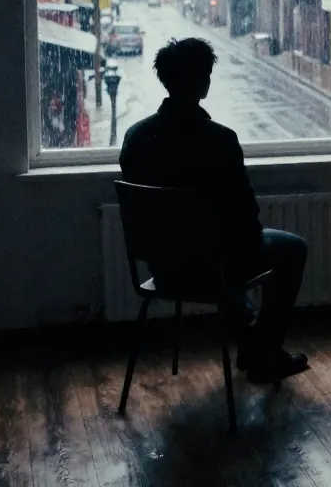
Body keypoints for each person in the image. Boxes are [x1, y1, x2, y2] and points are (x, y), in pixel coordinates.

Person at [120, 37, 310, 384]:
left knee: (218, 252)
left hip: (163, 267)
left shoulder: (136, 137)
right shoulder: (219, 140)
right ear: (203, 81)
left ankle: (254, 343)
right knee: (291, 249)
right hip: (214, 267)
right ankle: (263, 350)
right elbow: (245, 216)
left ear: (166, 79)